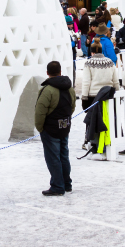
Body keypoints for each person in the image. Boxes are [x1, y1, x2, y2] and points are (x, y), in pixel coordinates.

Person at [35, 61, 76, 196]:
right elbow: (72, 106)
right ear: (60, 71)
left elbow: (40, 111)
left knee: (53, 157)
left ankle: (58, 186)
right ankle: (66, 183)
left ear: (47, 73)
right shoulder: (69, 87)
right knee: (64, 155)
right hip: (64, 125)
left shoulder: (47, 89)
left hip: (50, 128)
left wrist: (40, 128)